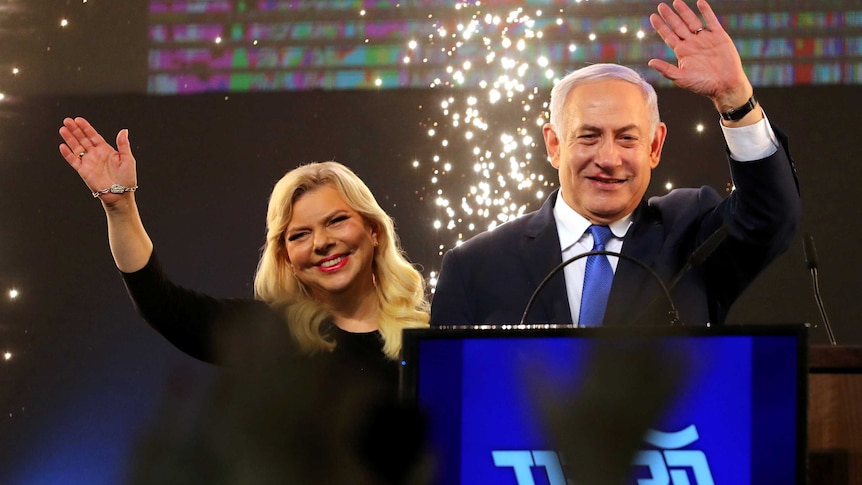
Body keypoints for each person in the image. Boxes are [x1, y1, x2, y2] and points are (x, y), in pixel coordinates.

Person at [429, 0, 801, 327]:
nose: (608, 159)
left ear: (655, 146)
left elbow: (771, 218)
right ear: (554, 144)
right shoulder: (475, 266)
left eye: (627, 138)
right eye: (589, 136)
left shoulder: (690, 233)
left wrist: (734, 97)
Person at [57, 118, 429, 388]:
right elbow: (160, 304)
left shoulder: (431, 334)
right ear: (286, 258)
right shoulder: (270, 336)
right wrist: (121, 209)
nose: (320, 243)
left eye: (336, 221)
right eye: (299, 234)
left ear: (374, 230)